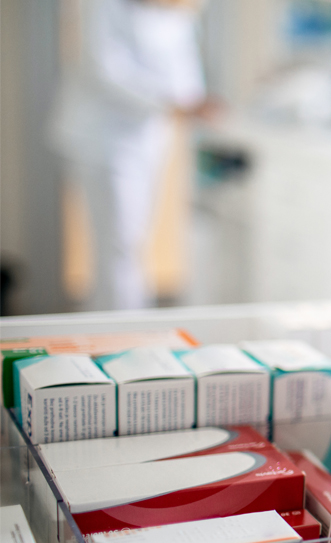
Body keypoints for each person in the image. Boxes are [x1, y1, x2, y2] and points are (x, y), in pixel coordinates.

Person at [52, 0, 215, 311]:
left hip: (149, 137)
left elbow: (187, 73)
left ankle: (123, 324)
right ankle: (116, 330)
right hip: (102, 138)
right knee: (119, 244)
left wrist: (195, 102)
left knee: (133, 242)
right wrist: (173, 103)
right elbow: (104, 70)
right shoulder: (101, 6)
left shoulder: (178, 15)